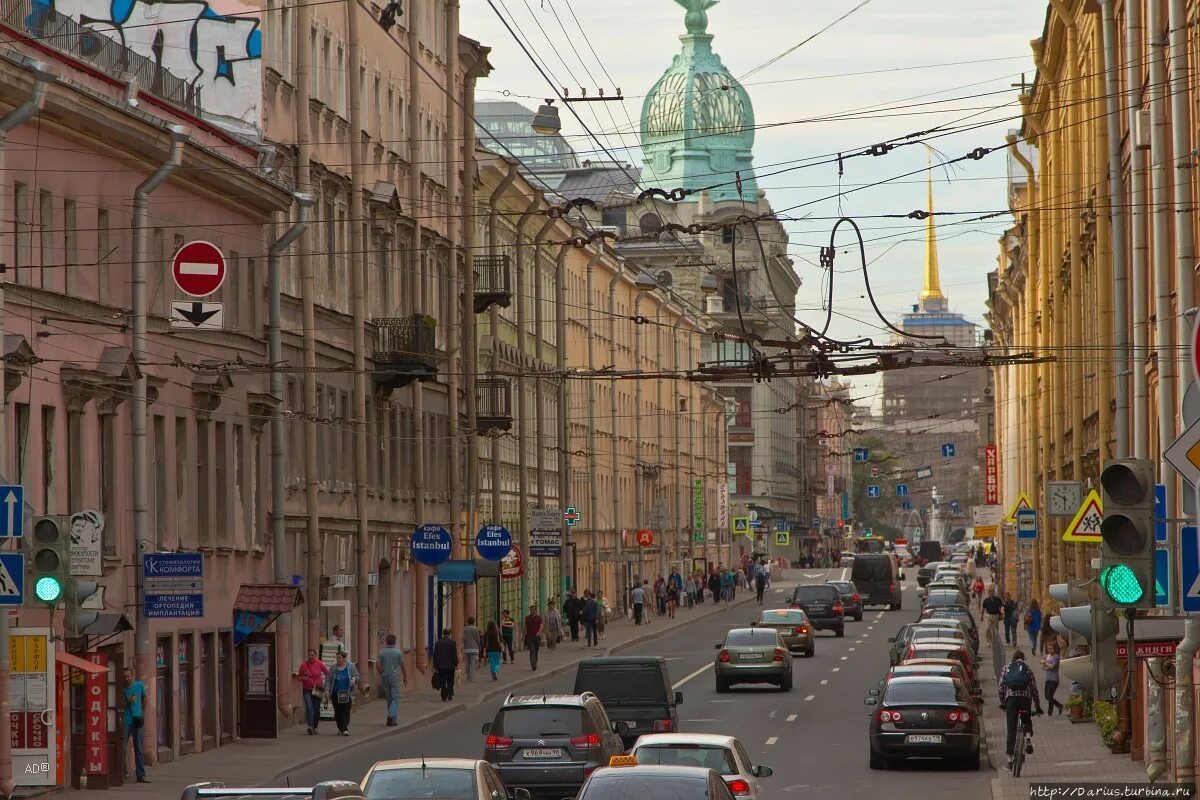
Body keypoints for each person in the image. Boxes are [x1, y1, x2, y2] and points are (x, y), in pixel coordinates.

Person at [998, 649, 1043, 770]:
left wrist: (1003, 702)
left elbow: (1001, 687)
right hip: (1025, 700)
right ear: (1023, 659)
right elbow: (1034, 689)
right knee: (1026, 719)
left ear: (1013, 658)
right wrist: (1038, 706)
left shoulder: (1006, 668)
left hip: (1011, 701)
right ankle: (1027, 738)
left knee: (1011, 730)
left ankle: (1009, 762)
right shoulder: (1028, 669)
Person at [325, 650, 361, 736]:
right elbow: (328, 679)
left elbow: (357, 676)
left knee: (345, 711)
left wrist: (354, 679)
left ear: (344, 658)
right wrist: (326, 690)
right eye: (337, 658)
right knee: (338, 711)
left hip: (347, 693)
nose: (338, 659)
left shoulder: (350, 667)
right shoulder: (333, 668)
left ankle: (344, 729)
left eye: (340, 658)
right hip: (335, 693)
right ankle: (340, 727)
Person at [376, 635, 410, 726]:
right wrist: (405, 677)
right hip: (395, 677)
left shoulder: (382, 652)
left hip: (385, 676)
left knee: (389, 698)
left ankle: (392, 721)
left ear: (387, 642)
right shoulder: (398, 652)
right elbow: (402, 665)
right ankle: (391, 715)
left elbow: (378, 665)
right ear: (394, 642)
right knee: (395, 698)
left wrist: (382, 673)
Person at [122, 667, 149, 783]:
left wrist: (142, 714)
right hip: (126, 721)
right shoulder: (121, 688)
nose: (126, 678)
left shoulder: (139, 685)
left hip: (137, 719)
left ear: (132, 676)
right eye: (124, 676)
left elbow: (144, 699)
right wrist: (128, 701)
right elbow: (119, 706)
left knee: (138, 747)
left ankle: (140, 775)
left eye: (128, 676)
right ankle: (122, 774)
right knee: (123, 748)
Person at [297, 648, 328, 735]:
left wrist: (325, 685)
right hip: (307, 689)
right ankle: (310, 727)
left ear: (315, 655)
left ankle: (315, 727)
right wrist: (303, 678)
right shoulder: (303, 665)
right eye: (310, 655)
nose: (311, 657)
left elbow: (328, 673)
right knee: (309, 707)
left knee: (316, 709)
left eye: (313, 655)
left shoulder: (319, 664)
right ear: (307, 656)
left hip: (318, 689)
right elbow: (298, 677)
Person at [431, 628, 458, 701]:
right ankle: (449, 693)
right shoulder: (452, 642)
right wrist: (456, 663)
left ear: (443, 633)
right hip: (450, 666)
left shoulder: (438, 643)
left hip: (441, 666)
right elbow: (454, 654)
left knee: (442, 680)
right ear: (449, 634)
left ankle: (443, 695)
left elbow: (435, 655)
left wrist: (435, 665)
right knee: (450, 680)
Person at [1041, 640, 1064, 715]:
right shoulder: (1046, 656)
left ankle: (1053, 710)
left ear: (1055, 649)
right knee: (1047, 696)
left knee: (1049, 696)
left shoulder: (1057, 657)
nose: (1050, 650)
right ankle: (1058, 707)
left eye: (1052, 649)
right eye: (1049, 649)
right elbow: (1043, 667)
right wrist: (1046, 666)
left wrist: (1045, 663)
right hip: (1048, 679)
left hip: (1054, 679)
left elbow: (1052, 666)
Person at [523, 604, 544, 670]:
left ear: (535, 610)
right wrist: (523, 636)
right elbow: (525, 627)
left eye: (533, 610)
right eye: (531, 610)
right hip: (529, 636)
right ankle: (533, 664)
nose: (532, 611)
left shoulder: (539, 618)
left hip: (537, 636)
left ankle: (535, 663)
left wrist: (539, 632)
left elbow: (541, 626)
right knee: (532, 650)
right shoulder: (527, 618)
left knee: (536, 651)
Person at [462, 617, 482, 682]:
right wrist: (479, 646)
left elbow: (463, 638)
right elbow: (477, 639)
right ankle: (472, 677)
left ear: (468, 622)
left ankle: (468, 677)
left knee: (467, 663)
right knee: (473, 662)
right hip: (474, 648)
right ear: (474, 622)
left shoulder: (465, 629)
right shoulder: (476, 629)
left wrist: (463, 645)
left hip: (467, 648)